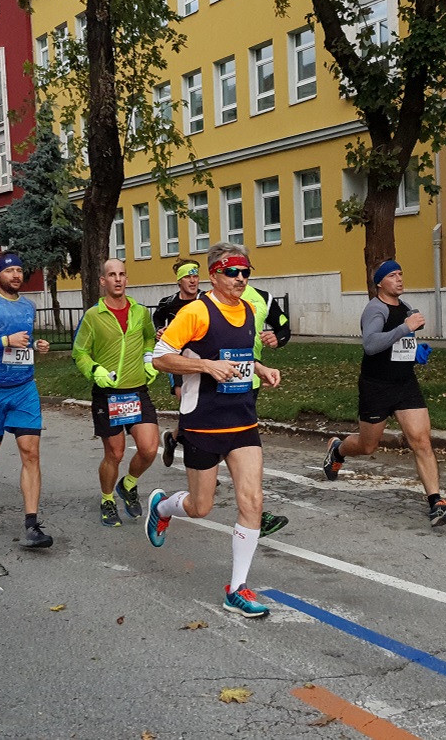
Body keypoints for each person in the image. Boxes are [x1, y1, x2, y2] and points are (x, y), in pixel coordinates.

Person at [146, 242, 282, 619]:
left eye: (246, 272)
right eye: (232, 271)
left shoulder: (251, 311)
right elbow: (159, 358)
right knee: (201, 506)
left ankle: (236, 588)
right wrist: (205, 366)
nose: (240, 279)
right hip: (203, 421)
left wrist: (260, 369)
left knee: (252, 502)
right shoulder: (195, 312)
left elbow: (240, 355)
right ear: (214, 275)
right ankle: (164, 506)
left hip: (243, 419)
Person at [322, 260, 446, 527]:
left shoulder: (406, 308)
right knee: (368, 445)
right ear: (379, 283)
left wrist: (415, 353)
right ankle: (338, 449)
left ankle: (436, 504)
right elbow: (372, 344)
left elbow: (401, 342)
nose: (399, 279)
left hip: (405, 384)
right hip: (377, 386)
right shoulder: (375, 309)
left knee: (421, 441)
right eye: (392, 276)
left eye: (400, 274)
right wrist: (405, 329)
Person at [72, 259, 160, 528]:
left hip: (136, 390)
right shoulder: (93, 316)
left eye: (122, 274)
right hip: (108, 394)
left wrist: (148, 358)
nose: (118, 279)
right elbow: (80, 352)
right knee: (115, 453)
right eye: (112, 275)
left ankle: (128, 484)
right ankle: (107, 498)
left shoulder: (140, 312)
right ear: (103, 281)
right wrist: (94, 370)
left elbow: (149, 337)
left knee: (149, 448)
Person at [0, 253, 54, 549]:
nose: (16, 275)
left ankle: (32, 524)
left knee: (30, 452)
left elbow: (25, 342)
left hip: (24, 387)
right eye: (9, 270)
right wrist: (5, 342)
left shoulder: (28, 305)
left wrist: (38, 345)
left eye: (20, 270)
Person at [152, 260, 202, 401]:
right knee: (183, 396)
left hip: (202, 354)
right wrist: (160, 329)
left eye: (195, 277)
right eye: (187, 277)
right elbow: (157, 317)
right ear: (179, 281)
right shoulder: (168, 302)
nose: (192, 281)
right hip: (177, 355)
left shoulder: (206, 299)